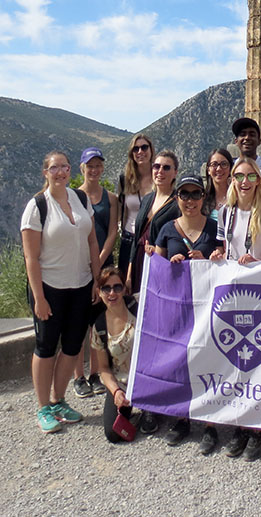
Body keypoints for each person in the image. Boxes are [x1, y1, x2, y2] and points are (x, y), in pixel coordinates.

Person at [21, 150, 101, 433]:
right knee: (45, 347)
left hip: (80, 285)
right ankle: (43, 407)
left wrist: (96, 278)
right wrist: (39, 297)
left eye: (64, 167)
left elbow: (92, 242)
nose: (60, 172)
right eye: (54, 168)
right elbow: (30, 257)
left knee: (71, 345)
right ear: (45, 172)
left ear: (70, 170)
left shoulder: (79, 200)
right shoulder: (37, 206)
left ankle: (59, 400)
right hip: (50, 288)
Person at [209, 157, 261, 460]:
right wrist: (217, 254)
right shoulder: (224, 213)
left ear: (258, 180)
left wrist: (259, 262)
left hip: (260, 296)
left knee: (258, 360)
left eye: (250, 176)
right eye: (238, 176)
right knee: (235, 362)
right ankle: (240, 424)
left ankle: (258, 430)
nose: (243, 182)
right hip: (232, 295)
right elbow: (222, 247)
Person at [154, 174, 222, 454]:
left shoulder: (216, 228)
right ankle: (181, 418)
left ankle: (209, 423)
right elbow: (156, 270)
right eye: (185, 194)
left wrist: (208, 260)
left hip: (208, 307)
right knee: (180, 360)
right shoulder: (166, 229)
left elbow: (226, 262)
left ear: (203, 198)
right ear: (177, 198)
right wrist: (172, 263)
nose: (191, 200)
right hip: (177, 307)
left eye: (196, 194)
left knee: (208, 360)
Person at [72, 147, 119, 399]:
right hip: (79, 267)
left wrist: (98, 264)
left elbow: (113, 232)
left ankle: (96, 372)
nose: (94, 170)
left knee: (99, 324)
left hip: (103, 267)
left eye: (98, 165)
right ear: (82, 168)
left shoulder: (111, 198)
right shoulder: (73, 197)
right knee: (79, 323)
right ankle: (78, 376)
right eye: (90, 165)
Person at [90, 267, 138, 443]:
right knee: (112, 433)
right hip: (123, 383)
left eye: (117, 287)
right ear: (99, 292)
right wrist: (116, 391)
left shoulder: (138, 305)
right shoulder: (99, 327)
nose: (112, 293)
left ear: (124, 289)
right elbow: (103, 368)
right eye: (106, 288)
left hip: (148, 379)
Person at [126, 150, 181, 296]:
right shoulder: (147, 199)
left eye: (166, 167)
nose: (160, 171)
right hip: (139, 262)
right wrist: (129, 273)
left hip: (160, 265)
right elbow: (136, 236)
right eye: (156, 166)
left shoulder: (178, 203)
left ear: (175, 172)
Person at [117, 134, 154, 278]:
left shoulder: (160, 177)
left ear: (151, 150)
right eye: (136, 149)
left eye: (144, 147)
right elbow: (121, 209)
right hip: (128, 240)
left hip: (151, 243)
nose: (140, 152)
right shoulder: (125, 180)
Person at [203, 148, 233, 221]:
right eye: (214, 164)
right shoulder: (203, 199)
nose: (219, 169)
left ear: (230, 169)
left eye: (224, 164)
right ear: (208, 170)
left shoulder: (238, 198)